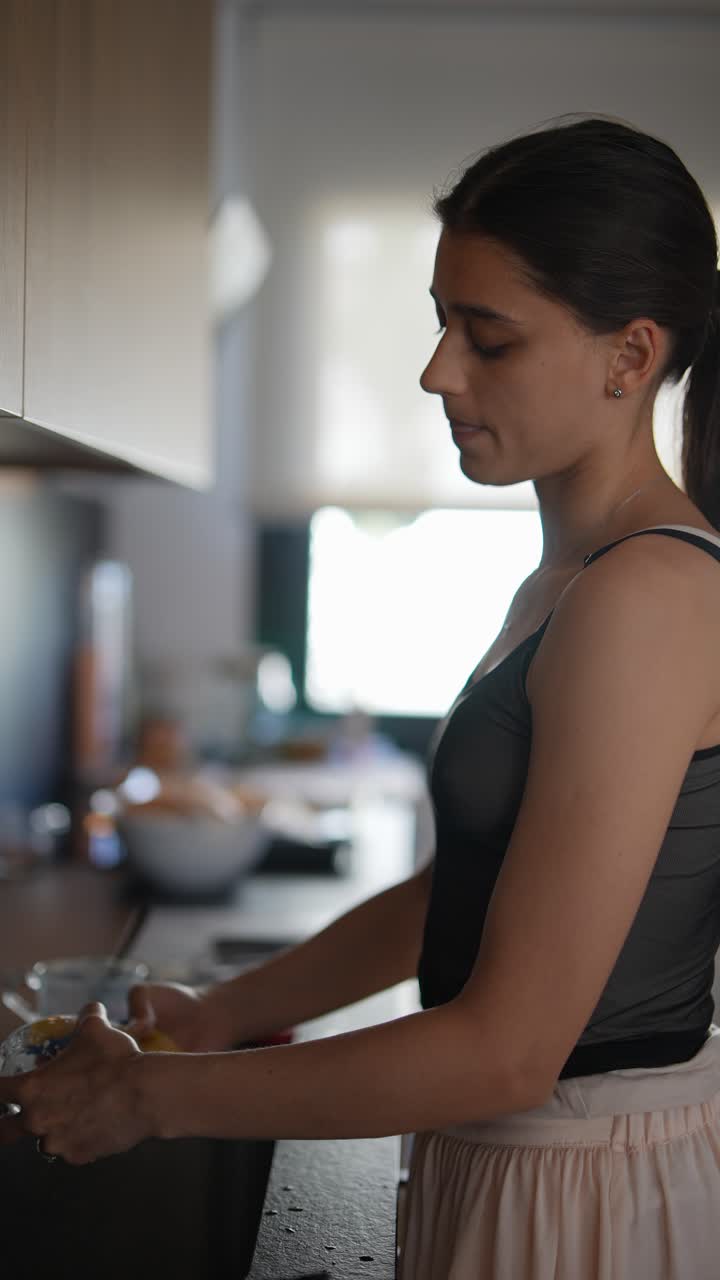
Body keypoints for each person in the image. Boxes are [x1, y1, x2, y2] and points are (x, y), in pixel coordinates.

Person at [2, 114, 720, 1278]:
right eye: (442, 323)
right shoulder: (573, 579)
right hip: (520, 1157)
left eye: (488, 337)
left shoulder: (645, 599)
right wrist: (227, 1012)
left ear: (628, 357)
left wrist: (154, 1095)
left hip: (583, 1186)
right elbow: (458, 895)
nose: (439, 372)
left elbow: (508, 1051)